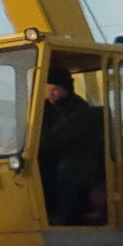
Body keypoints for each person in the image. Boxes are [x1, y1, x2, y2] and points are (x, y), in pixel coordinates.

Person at [39, 66, 106, 226]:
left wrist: (37, 144)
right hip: (54, 155)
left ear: (66, 90)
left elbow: (60, 136)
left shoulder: (80, 110)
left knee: (64, 170)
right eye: (47, 89)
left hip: (80, 159)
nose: (50, 93)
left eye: (54, 89)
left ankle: (61, 217)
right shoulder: (44, 108)